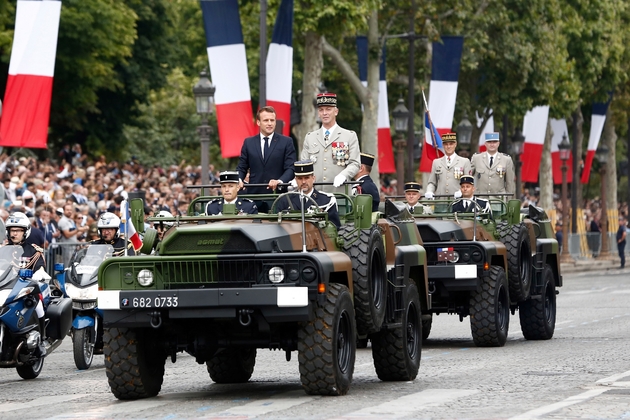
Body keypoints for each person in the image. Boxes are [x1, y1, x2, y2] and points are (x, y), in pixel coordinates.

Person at [6, 212, 47, 355]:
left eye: (18, 230)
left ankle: (41, 340)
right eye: (12, 230)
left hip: (26, 289)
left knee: (38, 306)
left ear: (26, 231)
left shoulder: (34, 251)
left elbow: (40, 269)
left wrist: (37, 274)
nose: (14, 233)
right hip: (6, 288)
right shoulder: (2, 250)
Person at [301, 93, 360, 193]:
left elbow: (355, 164)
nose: (324, 113)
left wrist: (344, 175)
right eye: (321, 110)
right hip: (315, 195)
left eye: (328, 109)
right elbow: (304, 165)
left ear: (336, 111)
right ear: (318, 113)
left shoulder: (349, 136)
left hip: (340, 194)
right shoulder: (310, 137)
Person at [236, 106, 296, 201]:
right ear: (258, 122)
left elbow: (291, 168)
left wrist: (279, 181)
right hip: (254, 197)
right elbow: (242, 167)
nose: (269, 123)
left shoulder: (286, 142)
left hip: (278, 196)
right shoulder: (248, 143)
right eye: (266, 120)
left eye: (272, 120)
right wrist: (239, 180)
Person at [276, 160, 340, 228]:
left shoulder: (326, 201)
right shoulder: (285, 200)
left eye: (307, 178)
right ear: (295, 180)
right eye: (300, 178)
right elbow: (278, 226)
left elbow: (335, 228)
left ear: (313, 178)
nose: (303, 182)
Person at [425, 133, 472, 199]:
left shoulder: (464, 162)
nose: (448, 146)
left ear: (455, 144)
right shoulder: (436, 162)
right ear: (443, 145)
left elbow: (469, 182)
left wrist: (461, 191)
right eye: (446, 144)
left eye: (451, 144)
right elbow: (432, 182)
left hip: (458, 200)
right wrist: (429, 191)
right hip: (440, 201)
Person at [470, 132, 515, 199]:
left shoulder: (506, 160)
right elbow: (468, 177)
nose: (492, 144)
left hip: (499, 200)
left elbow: (509, 183)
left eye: (494, 142)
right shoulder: (477, 158)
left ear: (498, 143)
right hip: (480, 199)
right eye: (489, 142)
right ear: (485, 144)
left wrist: (508, 201)